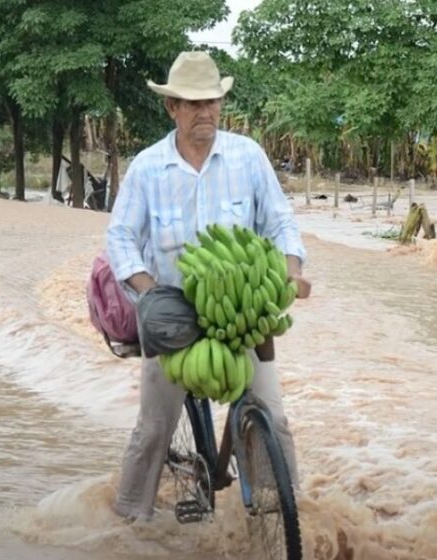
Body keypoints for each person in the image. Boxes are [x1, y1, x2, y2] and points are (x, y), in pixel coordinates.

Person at [105, 51, 311, 521]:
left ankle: (281, 511)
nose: (205, 112)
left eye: (212, 101)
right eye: (193, 103)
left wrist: (291, 271)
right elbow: (120, 238)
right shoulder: (148, 167)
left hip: (242, 310)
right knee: (155, 426)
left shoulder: (247, 157)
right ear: (171, 108)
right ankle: (129, 520)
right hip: (175, 308)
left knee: (272, 415)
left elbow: (281, 223)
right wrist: (149, 289)